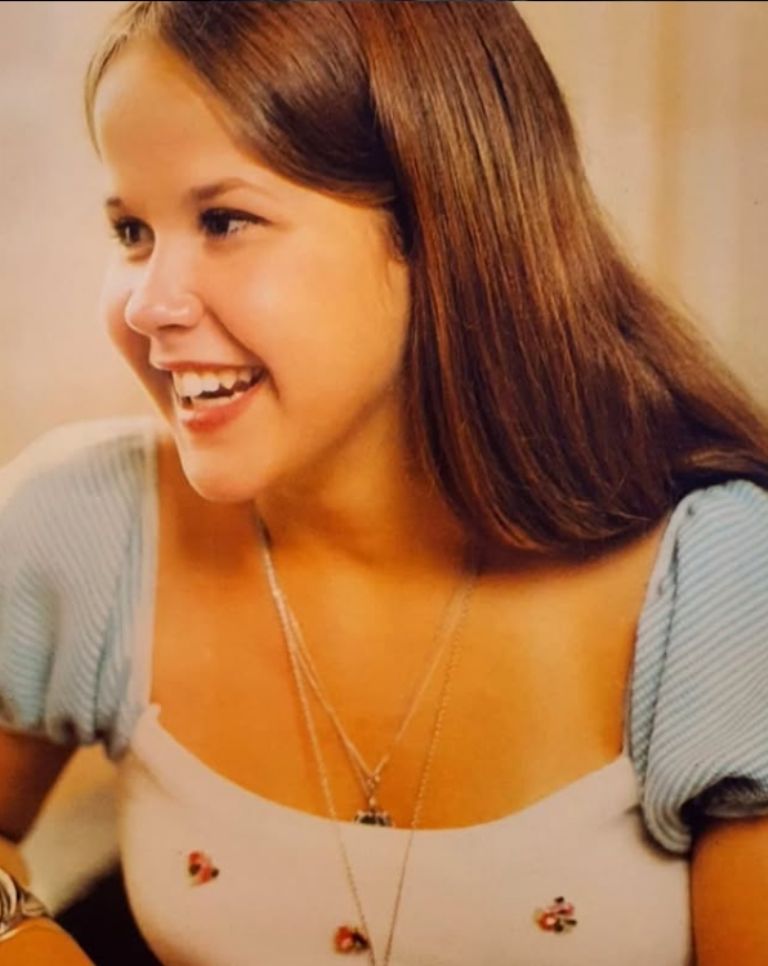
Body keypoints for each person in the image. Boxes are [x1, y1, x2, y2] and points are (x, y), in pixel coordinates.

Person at [1, 1, 767, 963]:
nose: (148, 304)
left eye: (225, 220)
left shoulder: (716, 581)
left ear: (440, 229)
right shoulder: (86, 525)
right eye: (131, 230)